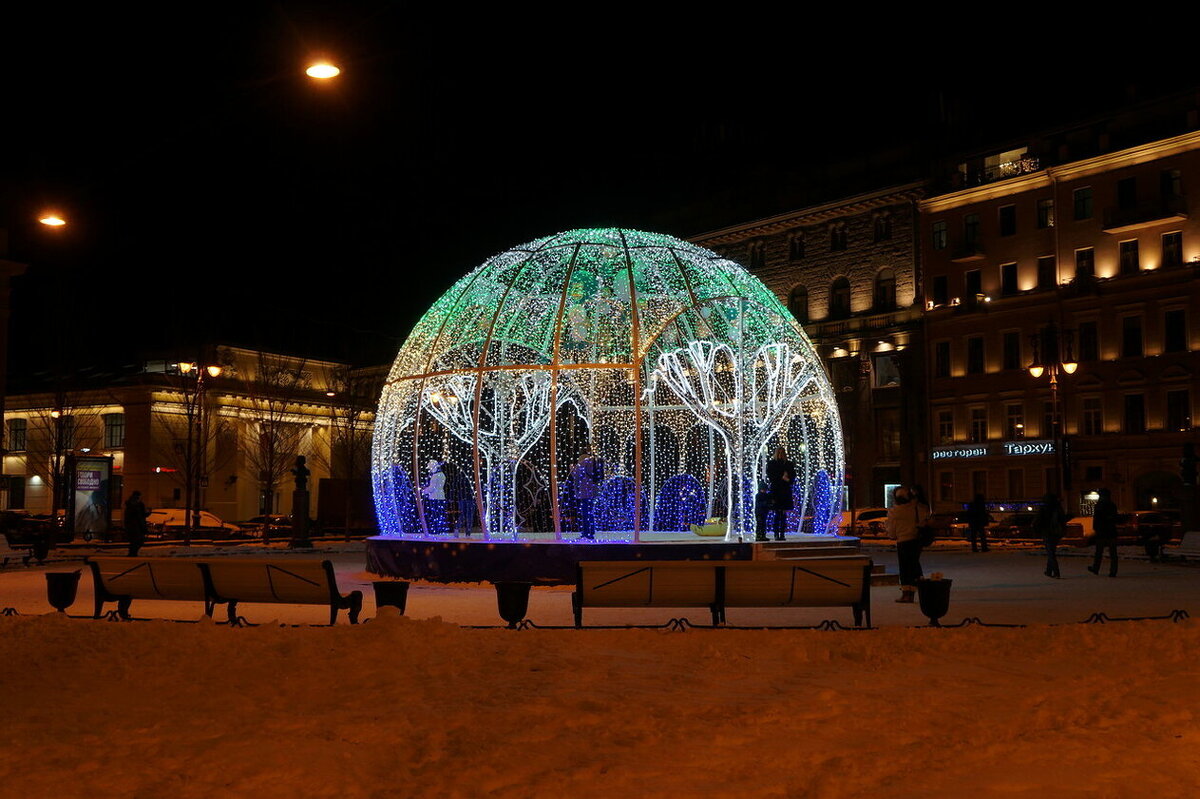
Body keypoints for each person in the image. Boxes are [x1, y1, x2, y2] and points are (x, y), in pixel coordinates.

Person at [886, 485, 928, 603]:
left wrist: (893, 535)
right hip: (916, 541)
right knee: (914, 567)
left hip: (903, 542)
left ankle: (906, 594)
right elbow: (924, 519)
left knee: (904, 568)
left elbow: (891, 532)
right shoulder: (917, 508)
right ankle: (918, 590)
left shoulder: (894, 512)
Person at [570, 450, 603, 540]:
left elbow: (576, 477)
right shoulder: (593, 462)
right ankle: (591, 531)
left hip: (584, 492)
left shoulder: (582, 463)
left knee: (585, 513)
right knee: (590, 512)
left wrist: (572, 469)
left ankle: (586, 533)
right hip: (593, 491)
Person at [1032, 493, 1067, 578]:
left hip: (1047, 533)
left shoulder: (1044, 508)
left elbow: (1038, 521)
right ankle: (1048, 571)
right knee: (1051, 552)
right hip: (1056, 533)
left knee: (1051, 553)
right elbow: (1063, 520)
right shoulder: (1058, 508)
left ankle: (1056, 572)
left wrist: (1036, 531)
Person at [765, 447, 796, 541]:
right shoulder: (772, 463)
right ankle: (776, 533)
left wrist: (788, 479)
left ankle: (781, 533)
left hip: (784, 491)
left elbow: (792, 476)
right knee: (778, 513)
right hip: (777, 491)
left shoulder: (788, 464)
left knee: (782, 514)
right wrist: (782, 477)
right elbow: (771, 476)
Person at [1089, 487, 1119, 577]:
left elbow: (1097, 519)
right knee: (1113, 553)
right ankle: (1113, 571)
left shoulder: (1100, 505)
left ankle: (1096, 568)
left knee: (1099, 552)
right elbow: (1115, 518)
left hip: (1102, 531)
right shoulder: (1112, 505)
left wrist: (1096, 528)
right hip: (1111, 531)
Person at [421, 459, 448, 535]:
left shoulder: (435, 476)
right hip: (441, 497)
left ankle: (435, 530)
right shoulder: (442, 475)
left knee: (434, 515)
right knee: (440, 514)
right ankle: (441, 529)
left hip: (434, 497)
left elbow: (432, 488)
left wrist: (423, 491)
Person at [123, 490, 150, 557]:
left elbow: (141, 515)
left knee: (136, 541)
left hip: (136, 526)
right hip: (135, 526)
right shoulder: (133, 505)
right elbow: (138, 516)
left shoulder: (136, 505)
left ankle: (133, 553)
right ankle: (132, 553)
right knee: (136, 540)